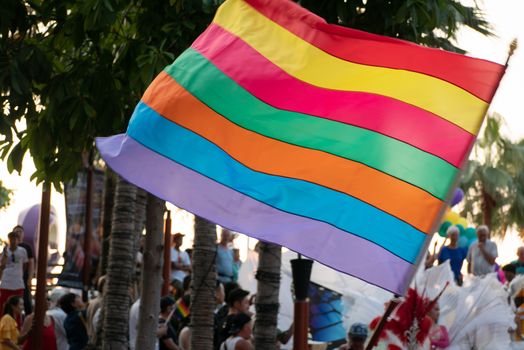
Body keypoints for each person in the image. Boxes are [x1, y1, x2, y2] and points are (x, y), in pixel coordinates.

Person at [0, 231, 28, 325]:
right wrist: (4, 255)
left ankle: (18, 326)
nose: (13, 241)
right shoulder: (5, 251)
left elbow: (25, 265)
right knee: (4, 306)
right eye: (12, 239)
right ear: (9, 239)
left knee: (18, 306)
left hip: (18, 283)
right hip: (6, 283)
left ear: (18, 240)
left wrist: (20, 274)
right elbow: (2, 266)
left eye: (15, 239)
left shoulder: (23, 251)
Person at [11, 226, 34, 316]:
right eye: (16, 231)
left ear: (23, 234)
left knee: (26, 299)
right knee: (12, 298)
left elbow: (31, 263)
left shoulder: (27, 247)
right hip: (12, 277)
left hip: (23, 277)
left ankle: (29, 318)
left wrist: (30, 277)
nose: (18, 233)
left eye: (20, 231)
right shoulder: (9, 247)